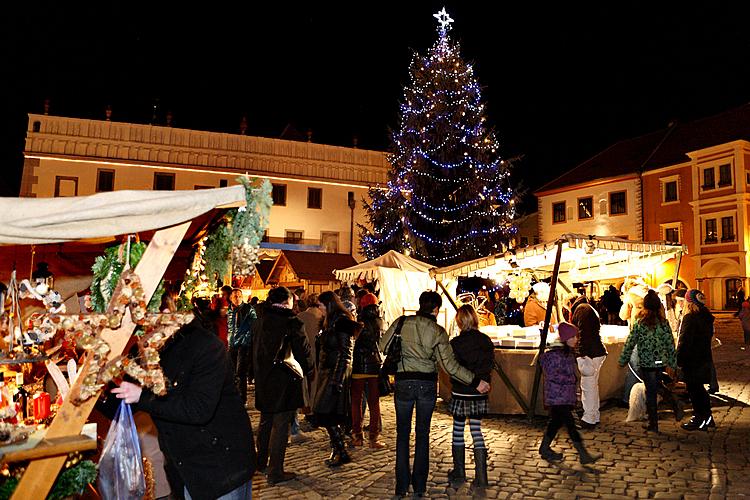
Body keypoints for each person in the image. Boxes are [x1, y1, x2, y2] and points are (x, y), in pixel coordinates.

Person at [110, 317, 256, 499]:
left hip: (221, 469)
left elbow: (198, 409)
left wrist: (142, 396)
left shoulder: (206, 346)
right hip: (183, 469)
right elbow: (118, 402)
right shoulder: (144, 350)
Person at [379, 291, 490, 499]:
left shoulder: (402, 322)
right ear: (436, 309)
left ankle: (401, 486)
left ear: (420, 304)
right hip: (426, 386)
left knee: (402, 435)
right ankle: (419, 487)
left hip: (403, 383)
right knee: (422, 435)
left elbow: (383, 346)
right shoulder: (438, 331)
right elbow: (449, 366)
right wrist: (475, 381)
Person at [251, 286, 314, 485]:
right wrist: (309, 370)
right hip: (285, 379)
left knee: (265, 421)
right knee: (281, 424)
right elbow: (303, 352)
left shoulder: (260, 320)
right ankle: (275, 470)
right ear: (287, 301)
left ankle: (260, 462)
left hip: (264, 377)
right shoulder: (292, 322)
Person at [538, 322, 600, 464]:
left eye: (576, 336)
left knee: (555, 423)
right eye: (573, 337)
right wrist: (570, 379)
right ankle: (583, 455)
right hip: (557, 396)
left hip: (563, 395)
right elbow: (552, 375)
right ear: (566, 339)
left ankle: (544, 448)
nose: (576, 339)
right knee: (570, 425)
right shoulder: (556, 355)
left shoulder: (567, 354)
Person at [447, 305, 494, 490]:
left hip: (461, 392)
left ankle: (459, 472)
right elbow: (489, 365)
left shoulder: (455, 344)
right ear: (475, 319)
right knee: (476, 430)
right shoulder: (486, 341)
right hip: (478, 392)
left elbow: (453, 370)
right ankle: (482, 477)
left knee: (458, 430)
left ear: (459, 321)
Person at [312, 290, 361, 467]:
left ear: (329, 305)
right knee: (327, 413)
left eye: (321, 305)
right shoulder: (328, 322)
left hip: (336, 373)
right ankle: (339, 450)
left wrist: (337, 379)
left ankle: (340, 450)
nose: (319, 309)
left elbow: (346, 353)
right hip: (327, 372)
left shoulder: (342, 322)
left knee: (326, 413)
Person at [618, 289, 678, 432]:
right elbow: (670, 343)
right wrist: (672, 363)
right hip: (659, 362)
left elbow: (630, 342)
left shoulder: (640, 323)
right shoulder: (663, 323)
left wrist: (623, 359)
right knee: (656, 386)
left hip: (647, 363)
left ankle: (654, 423)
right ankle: (674, 404)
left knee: (651, 392)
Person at [350, 292, 385, 449]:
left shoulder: (359, 323)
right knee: (374, 402)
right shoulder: (379, 322)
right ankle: (373, 438)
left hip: (358, 365)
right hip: (374, 365)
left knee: (356, 402)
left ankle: (357, 436)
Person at [677, 289, 715, 431]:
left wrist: (679, 359)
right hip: (703, 357)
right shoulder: (706, 316)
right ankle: (708, 417)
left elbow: (685, 341)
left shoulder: (690, 318)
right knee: (700, 389)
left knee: (695, 390)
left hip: (692, 360)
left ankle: (699, 418)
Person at [570, 295, 607, 428]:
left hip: (589, 353)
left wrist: (581, 353)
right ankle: (594, 415)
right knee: (592, 385)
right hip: (597, 351)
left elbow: (583, 334)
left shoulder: (581, 310)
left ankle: (589, 418)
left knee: (588, 386)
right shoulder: (588, 308)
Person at [228, 288, 256, 405]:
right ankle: (232, 396)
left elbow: (254, 324)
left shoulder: (248, 309)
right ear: (230, 298)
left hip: (243, 345)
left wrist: (247, 338)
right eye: (235, 296)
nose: (237, 298)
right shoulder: (228, 310)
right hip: (230, 345)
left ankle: (242, 397)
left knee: (241, 371)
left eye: (239, 296)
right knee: (231, 371)